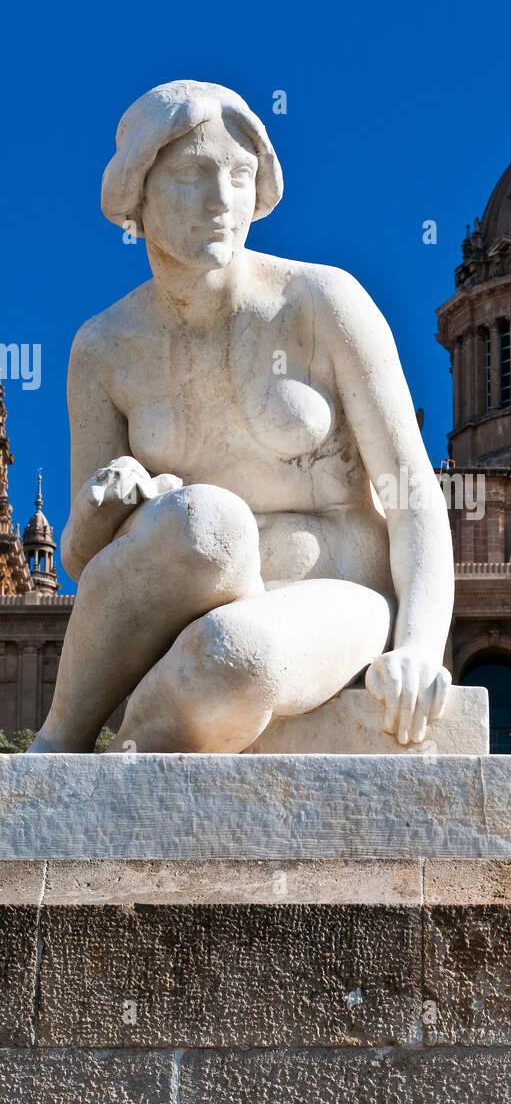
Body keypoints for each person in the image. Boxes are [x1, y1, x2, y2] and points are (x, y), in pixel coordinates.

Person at [26, 81, 453, 755]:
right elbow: (83, 559)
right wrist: (105, 504)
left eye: (239, 175)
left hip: (331, 593)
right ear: (137, 191)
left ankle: (129, 757)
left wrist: (422, 647)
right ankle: (60, 744)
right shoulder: (104, 347)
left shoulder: (322, 302)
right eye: (193, 175)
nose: (221, 201)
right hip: (189, 592)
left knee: (232, 652)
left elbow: (412, 493)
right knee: (207, 522)